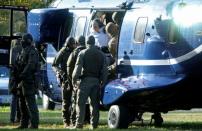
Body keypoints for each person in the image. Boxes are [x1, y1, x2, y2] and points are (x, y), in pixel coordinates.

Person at [72, 35, 108, 129]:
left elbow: (78, 68)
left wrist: (74, 80)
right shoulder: (101, 54)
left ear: (86, 43)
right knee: (95, 104)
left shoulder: (83, 53)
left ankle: (79, 124)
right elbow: (104, 70)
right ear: (94, 42)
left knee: (80, 103)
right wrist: (103, 82)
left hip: (85, 81)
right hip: (96, 82)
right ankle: (94, 124)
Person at [16, 33, 40, 129]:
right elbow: (20, 63)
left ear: (28, 41)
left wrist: (22, 75)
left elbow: (31, 65)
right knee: (22, 103)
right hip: (22, 80)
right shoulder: (23, 51)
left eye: (23, 40)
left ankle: (34, 124)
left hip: (29, 80)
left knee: (30, 103)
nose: (22, 41)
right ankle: (24, 123)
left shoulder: (32, 51)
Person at [52, 37, 76, 128]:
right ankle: (66, 122)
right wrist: (60, 73)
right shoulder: (62, 52)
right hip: (65, 79)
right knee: (66, 102)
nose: (74, 45)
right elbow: (54, 65)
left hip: (74, 78)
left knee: (75, 101)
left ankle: (74, 121)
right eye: (72, 44)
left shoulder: (76, 51)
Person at [66, 36, 86, 126]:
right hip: (86, 80)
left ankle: (74, 121)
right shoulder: (87, 51)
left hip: (77, 81)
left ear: (77, 43)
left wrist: (72, 80)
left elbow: (69, 67)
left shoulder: (74, 52)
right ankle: (85, 120)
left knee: (75, 102)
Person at [9, 36, 22, 124]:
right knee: (22, 99)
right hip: (21, 76)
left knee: (14, 99)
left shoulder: (13, 49)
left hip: (14, 76)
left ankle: (12, 118)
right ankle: (20, 117)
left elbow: (11, 64)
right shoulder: (24, 49)